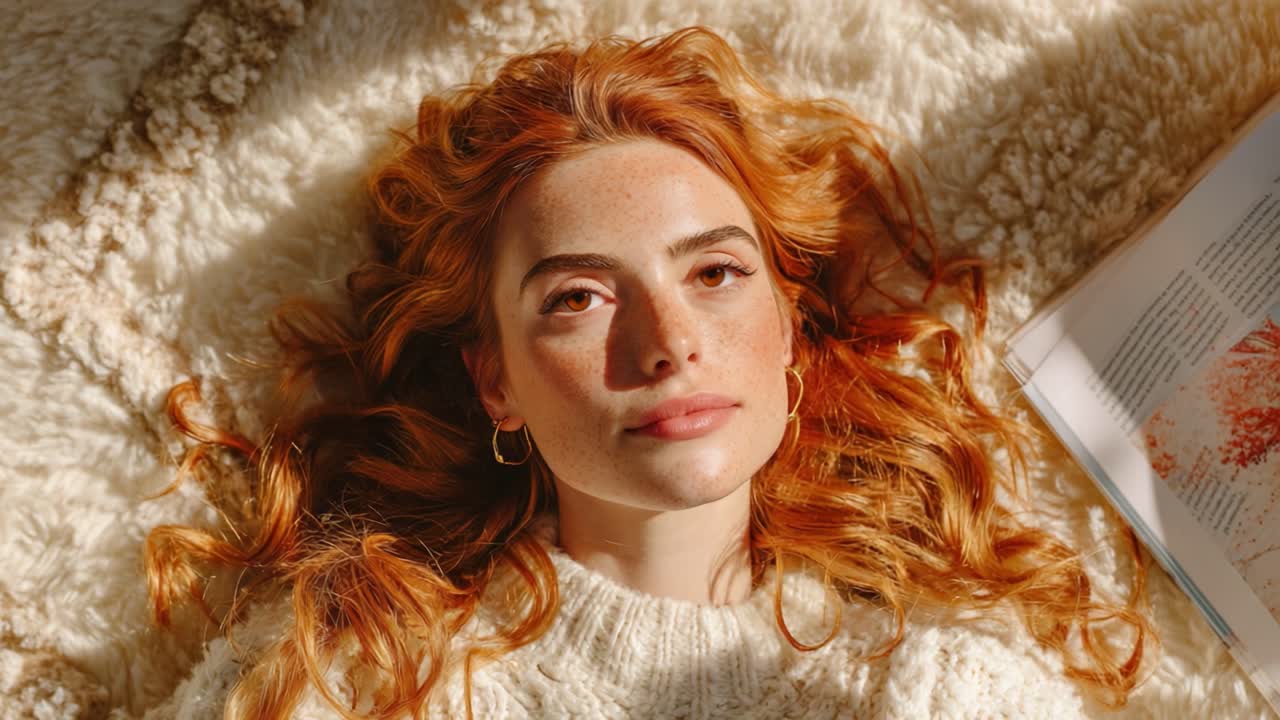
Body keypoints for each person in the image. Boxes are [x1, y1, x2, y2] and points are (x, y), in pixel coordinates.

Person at [142, 25, 1151, 719]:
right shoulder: (349, 674)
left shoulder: (949, 689)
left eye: (713, 272)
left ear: (790, 337)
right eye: (577, 297)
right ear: (494, 380)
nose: (668, 341)